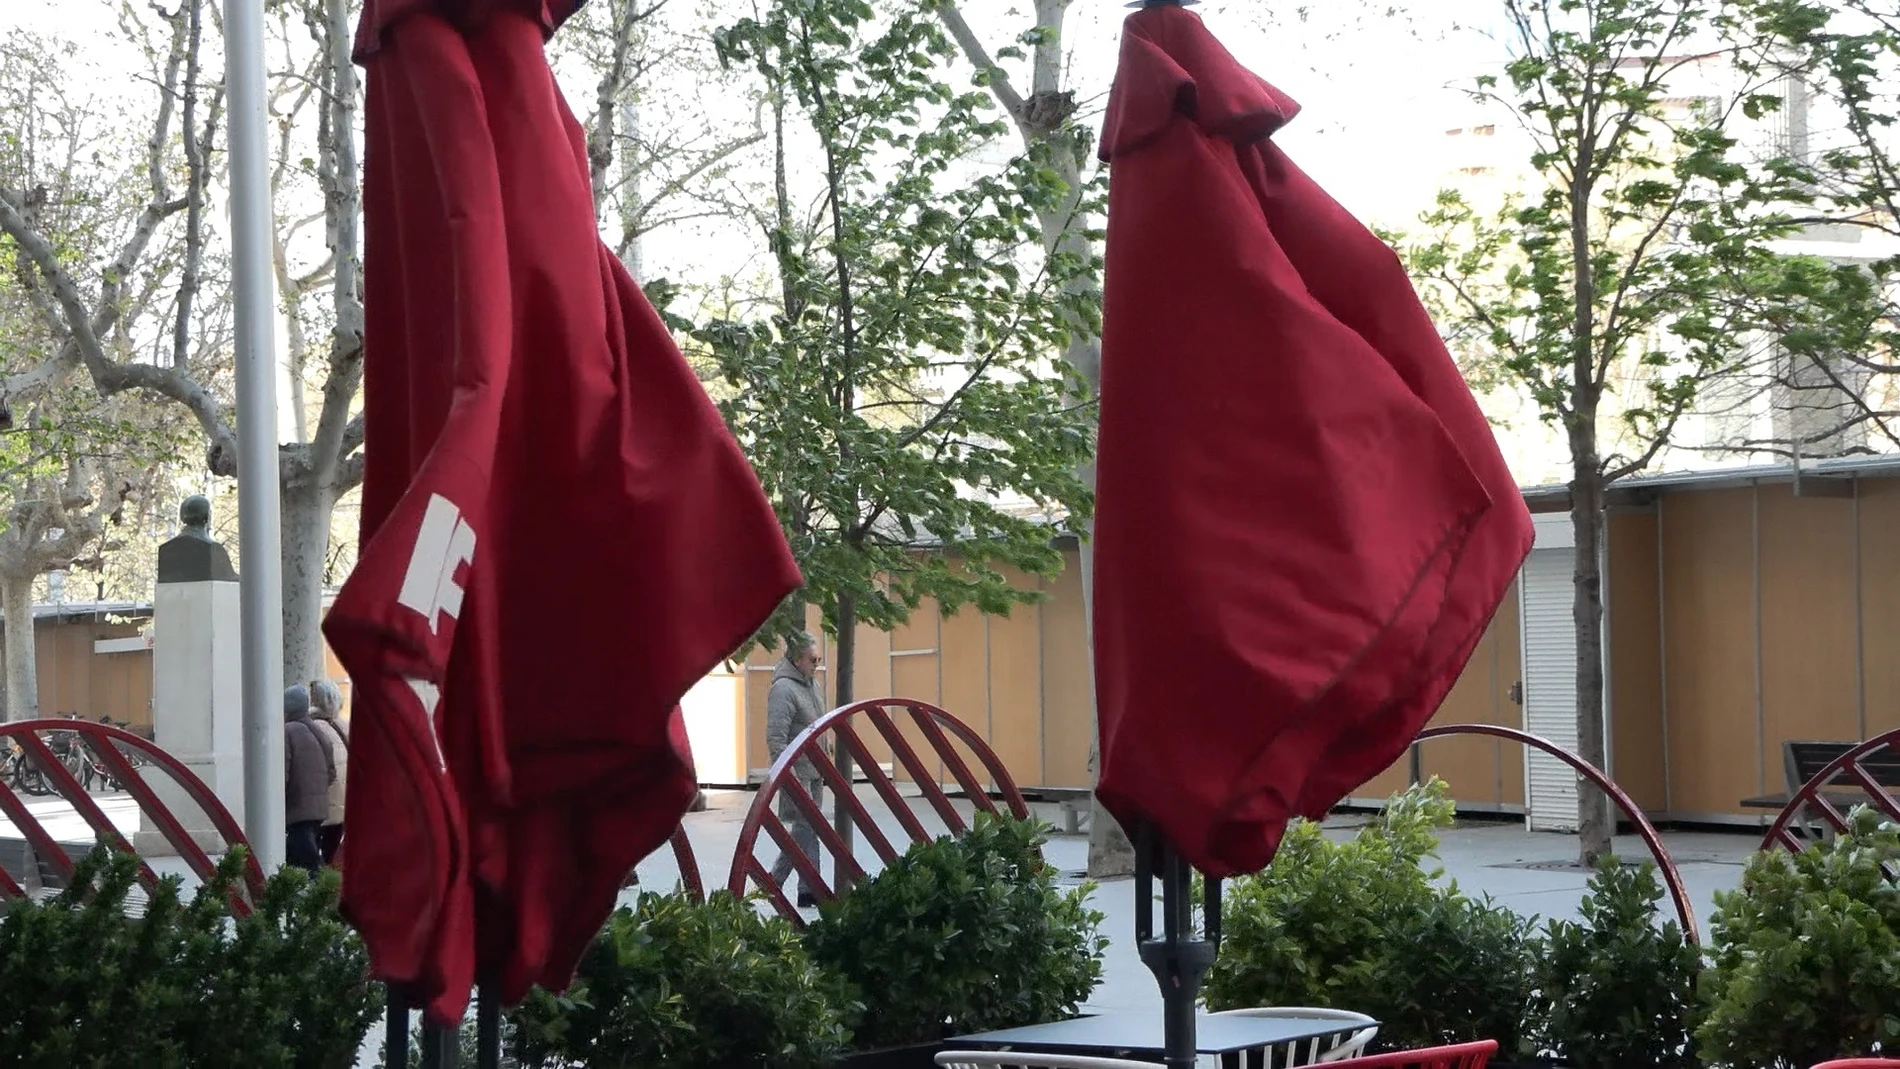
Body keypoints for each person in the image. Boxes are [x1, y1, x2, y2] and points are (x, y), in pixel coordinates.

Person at [765, 633, 825, 907]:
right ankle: (797, 885)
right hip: (798, 771)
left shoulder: (811, 685)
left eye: (819, 659)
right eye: (812, 660)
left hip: (815, 771)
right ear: (797, 659)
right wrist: (787, 775)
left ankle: (802, 887)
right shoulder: (783, 690)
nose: (816, 664)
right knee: (805, 828)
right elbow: (776, 738)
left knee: (808, 828)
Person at [283, 685, 335, 875]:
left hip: (298, 807)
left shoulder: (288, 731)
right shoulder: (318, 730)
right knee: (301, 852)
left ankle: (323, 889)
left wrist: (282, 796)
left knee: (308, 859)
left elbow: (284, 770)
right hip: (319, 808)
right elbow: (332, 771)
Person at [307, 679, 349, 865]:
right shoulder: (345, 724)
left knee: (314, 853)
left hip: (320, 804)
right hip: (344, 803)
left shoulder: (311, 727)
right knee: (332, 853)